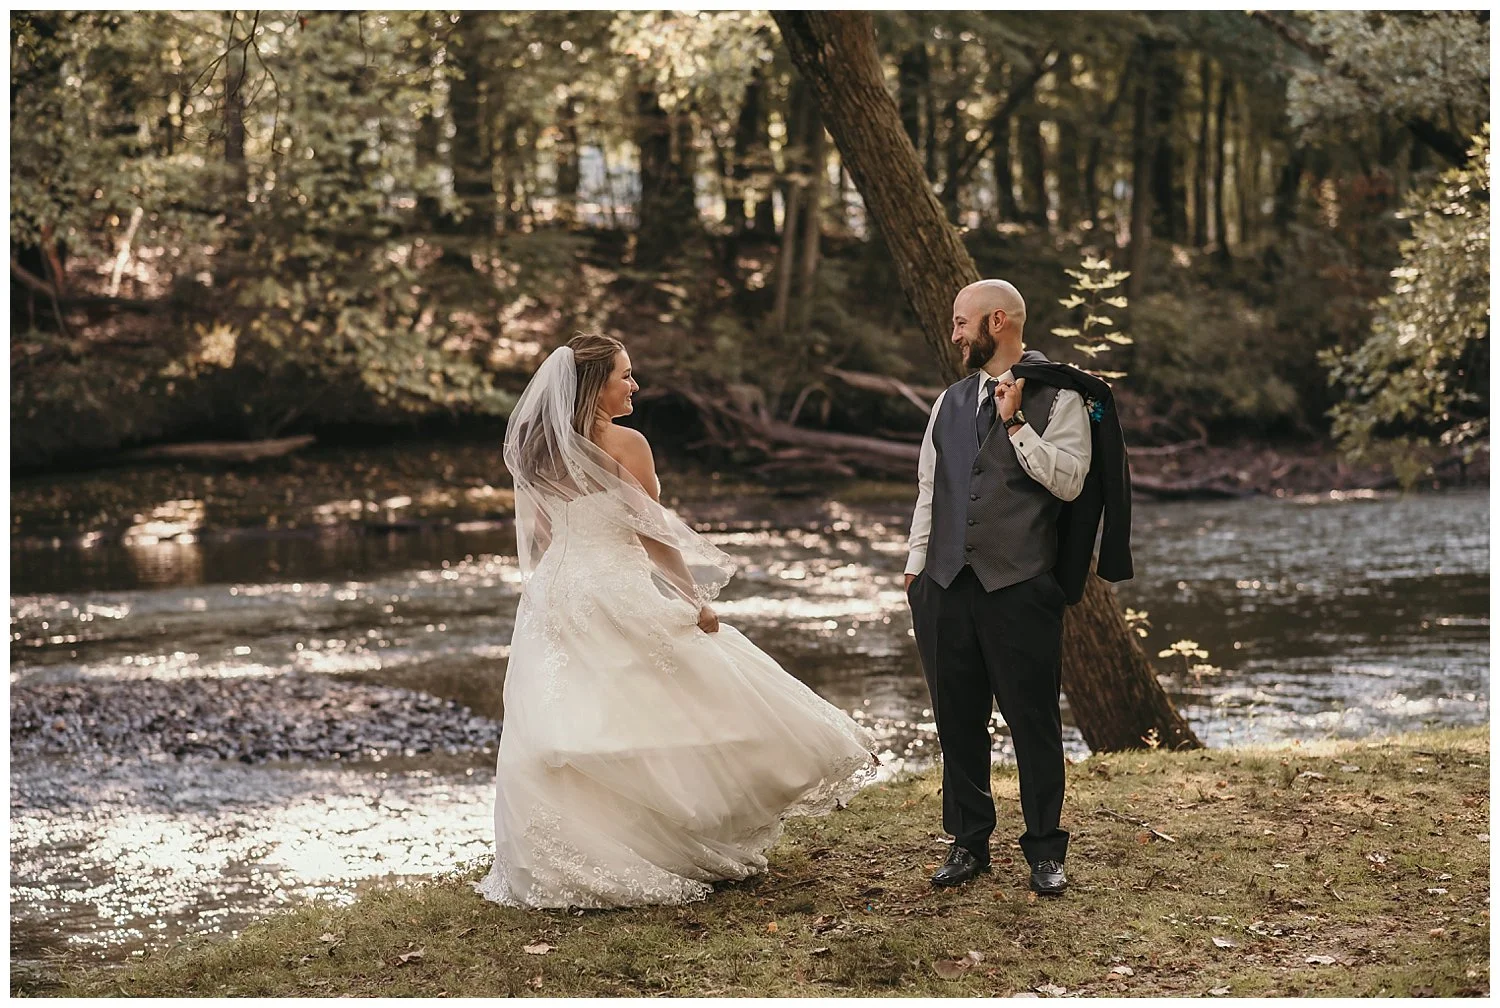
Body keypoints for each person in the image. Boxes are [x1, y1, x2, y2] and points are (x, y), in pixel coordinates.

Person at [475, 332, 877, 910]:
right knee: (676, 692)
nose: (634, 384)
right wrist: (694, 598)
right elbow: (652, 530)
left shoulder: (539, 452)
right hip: (613, 582)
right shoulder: (627, 444)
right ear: (595, 386)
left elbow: (542, 535)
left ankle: (572, 853)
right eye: (625, 375)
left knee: (570, 715)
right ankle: (670, 840)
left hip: (558, 590)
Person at [904, 279, 1091, 896]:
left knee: (1032, 719)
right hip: (945, 583)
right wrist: (916, 567)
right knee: (957, 719)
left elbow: (1068, 483)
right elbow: (932, 491)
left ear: (1000, 322)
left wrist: (1015, 427)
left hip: (1020, 586)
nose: (954, 333)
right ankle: (968, 842)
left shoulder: (1062, 396)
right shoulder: (947, 403)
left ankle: (1044, 849)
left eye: (963, 322)